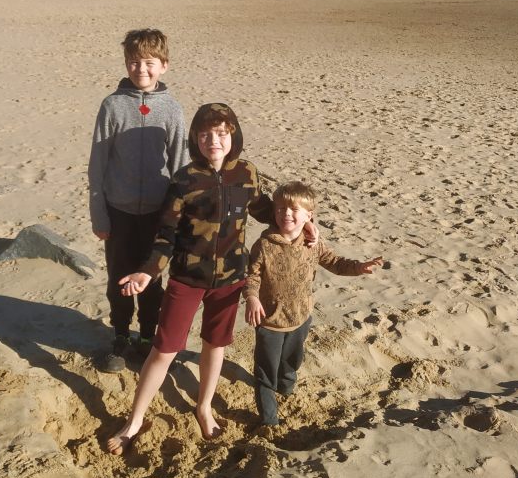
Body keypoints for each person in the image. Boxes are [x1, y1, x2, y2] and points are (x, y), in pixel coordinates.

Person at [105, 103, 279, 454]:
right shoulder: (183, 181)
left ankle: (204, 405)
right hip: (186, 279)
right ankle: (135, 420)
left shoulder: (247, 174)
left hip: (230, 280)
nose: (213, 140)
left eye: (221, 133)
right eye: (205, 135)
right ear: (195, 139)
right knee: (165, 349)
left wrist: (303, 224)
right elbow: (165, 236)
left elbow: (268, 212)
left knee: (216, 345)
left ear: (233, 135)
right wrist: (147, 271)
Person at [88, 28, 188, 373]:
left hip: (158, 213)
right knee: (119, 276)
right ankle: (120, 336)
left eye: (148, 62)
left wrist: (180, 215)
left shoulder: (172, 109)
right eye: (134, 62)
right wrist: (98, 213)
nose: (140, 69)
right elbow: (98, 163)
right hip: (119, 211)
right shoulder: (112, 105)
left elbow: (179, 166)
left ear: (164, 66)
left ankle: (147, 337)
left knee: (152, 278)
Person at [244, 180, 382, 427]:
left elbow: (335, 262)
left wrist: (358, 267)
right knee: (265, 370)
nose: (286, 214)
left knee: (291, 361)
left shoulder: (312, 242)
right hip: (270, 321)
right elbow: (252, 275)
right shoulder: (264, 245)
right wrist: (252, 297)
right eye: (280, 209)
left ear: (309, 216)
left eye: (294, 210)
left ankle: (286, 388)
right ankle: (269, 420)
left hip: (301, 317)